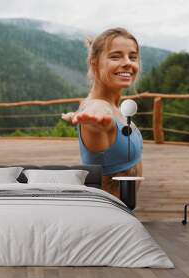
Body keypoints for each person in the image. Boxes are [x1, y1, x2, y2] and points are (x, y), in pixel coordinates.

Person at [62, 28, 143, 199]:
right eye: (116, 56)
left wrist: (74, 115)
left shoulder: (113, 106)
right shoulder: (97, 108)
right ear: (95, 62)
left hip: (122, 212)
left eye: (133, 57)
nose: (128, 62)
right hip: (108, 217)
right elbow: (96, 108)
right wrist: (93, 114)